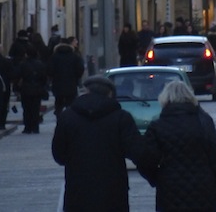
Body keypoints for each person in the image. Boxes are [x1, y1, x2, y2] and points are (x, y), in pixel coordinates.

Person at [52, 74, 148, 212]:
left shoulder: (68, 117)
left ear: (86, 91)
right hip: (113, 190)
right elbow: (137, 151)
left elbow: (59, 155)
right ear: (110, 94)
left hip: (78, 188)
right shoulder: (121, 117)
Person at [141, 79, 216, 212]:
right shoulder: (204, 122)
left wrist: (158, 178)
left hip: (170, 191)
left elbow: (146, 161)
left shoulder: (157, 126)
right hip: (204, 189)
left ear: (164, 99)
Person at [47, 38, 85, 117]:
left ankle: (59, 120)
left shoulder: (54, 57)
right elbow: (80, 69)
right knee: (71, 104)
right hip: (71, 84)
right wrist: (76, 78)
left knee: (58, 104)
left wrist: (52, 77)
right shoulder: (74, 56)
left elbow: (50, 70)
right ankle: (70, 121)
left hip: (57, 84)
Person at [16, 44, 47, 134]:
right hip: (37, 88)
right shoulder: (40, 64)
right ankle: (35, 127)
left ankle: (28, 127)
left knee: (26, 108)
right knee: (35, 108)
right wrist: (41, 85)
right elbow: (44, 78)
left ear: (27, 54)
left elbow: (18, 75)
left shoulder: (23, 64)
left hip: (26, 88)